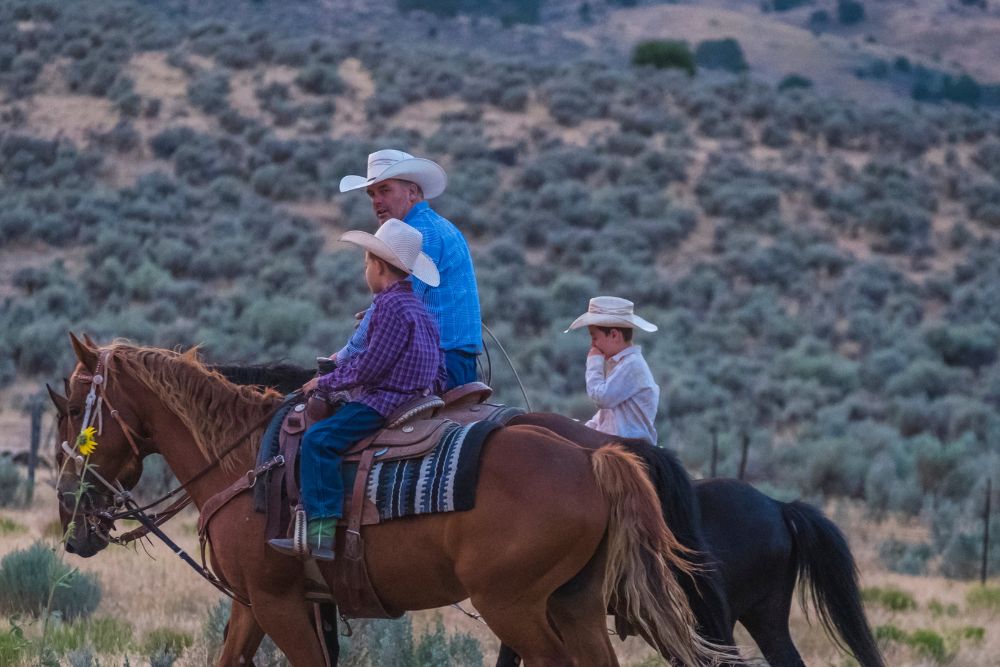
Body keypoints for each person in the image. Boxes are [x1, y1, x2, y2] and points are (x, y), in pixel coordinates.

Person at [269, 219, 445, 560]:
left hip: (385, 401)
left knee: (319, 441)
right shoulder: (418, 308)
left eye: (366, 263)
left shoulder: (388, 307)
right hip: (415, 397)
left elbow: (372, 365)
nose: (365, 270)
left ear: (378, 267)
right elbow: (438, 363)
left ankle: (321, 535)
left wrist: (325, 381)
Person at [334, 149, 482, 389]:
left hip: (438, 359)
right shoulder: (440, 227)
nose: (376, 201)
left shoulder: (416, 234)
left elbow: (398, 298)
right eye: (371, 193)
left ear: (412, 192)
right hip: (456, 357)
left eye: (385, 190)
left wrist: (345, 356)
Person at [565, 296, 661, 445]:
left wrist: (594, 362)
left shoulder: (632, 365)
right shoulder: (622, 365)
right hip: (615, 444)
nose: (593, 344)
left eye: (595, 337)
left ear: (614, 335)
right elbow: (606, 417)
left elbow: (602, 398)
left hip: (630, 449)